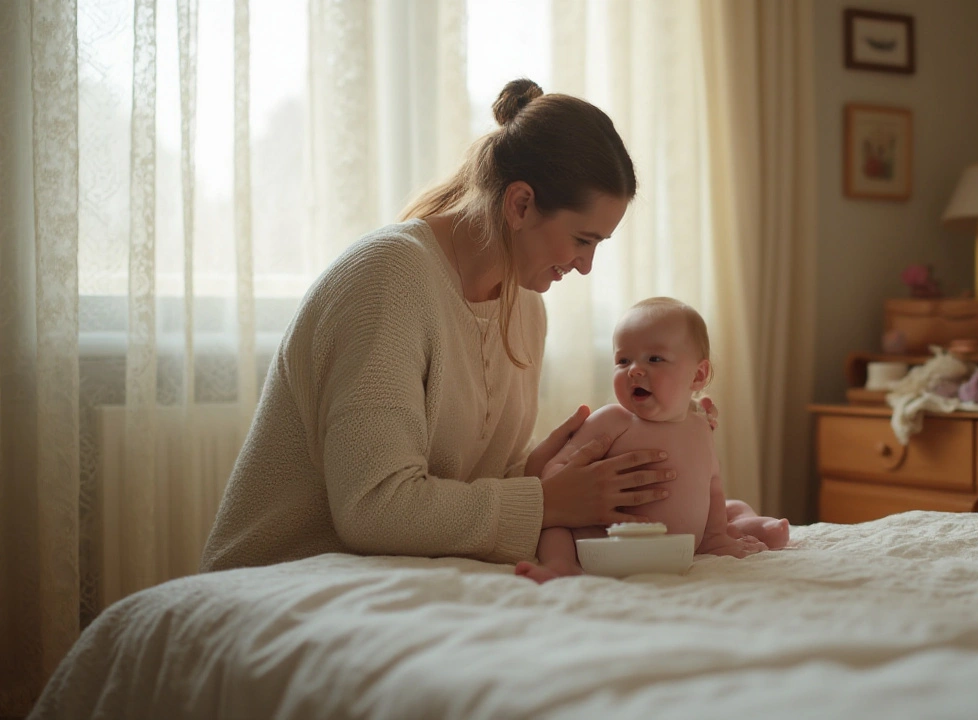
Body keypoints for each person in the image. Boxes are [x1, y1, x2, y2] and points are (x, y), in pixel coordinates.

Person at [200, 79, 677, 572]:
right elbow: (374, 508)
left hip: (397, 576)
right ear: (519, 204)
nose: (586, 266)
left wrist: (564, 470)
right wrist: (545, 501)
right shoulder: (386, 278)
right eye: (583, 240)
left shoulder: (525, 307)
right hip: (285, 577)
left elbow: (474, 482)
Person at [515, 297, 790, 583]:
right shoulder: (612, 420)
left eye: (654, 359)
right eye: (623, 360)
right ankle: (560, 565)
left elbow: (712, 488)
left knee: (729, 507)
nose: (634, 369)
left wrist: (716, 537)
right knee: (555, 525)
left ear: (697, 375)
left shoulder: (700, 428)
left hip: (679, 549)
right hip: (603, 541)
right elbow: (557, 470)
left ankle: (752, 527)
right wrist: (564, 483)